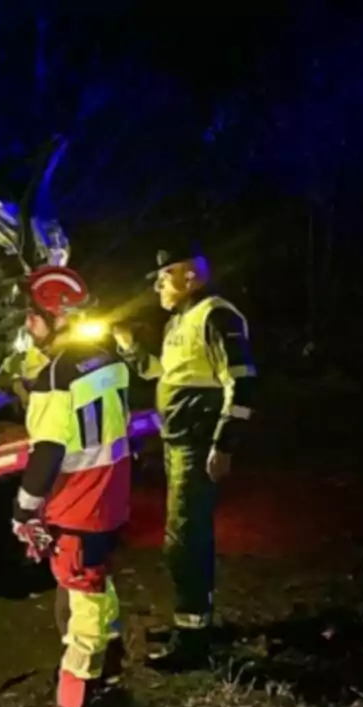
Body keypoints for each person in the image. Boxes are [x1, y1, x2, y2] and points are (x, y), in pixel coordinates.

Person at [112, 245, 257, 671]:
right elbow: (165, 374)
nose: (157, 285)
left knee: (185, 541)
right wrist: (130, 348)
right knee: (183, 539)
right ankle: (192, 624)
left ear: (191, 276)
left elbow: (244, 385)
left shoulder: (217, 316)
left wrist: (224, 445)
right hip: (179, 445)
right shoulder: (181, 321)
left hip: (197, 447)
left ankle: (192, 641)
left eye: (164, 276)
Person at [10, 265, 132, 707]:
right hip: (111, 497)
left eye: (33, 316)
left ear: (56, 317)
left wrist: (24, 508)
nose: (28, 325)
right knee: (99, 585)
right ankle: (112, 664)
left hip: (78, 504)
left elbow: (48, 452)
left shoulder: (56, 378)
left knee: (83, 598)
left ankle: (73, 702)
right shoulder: (109, 359)